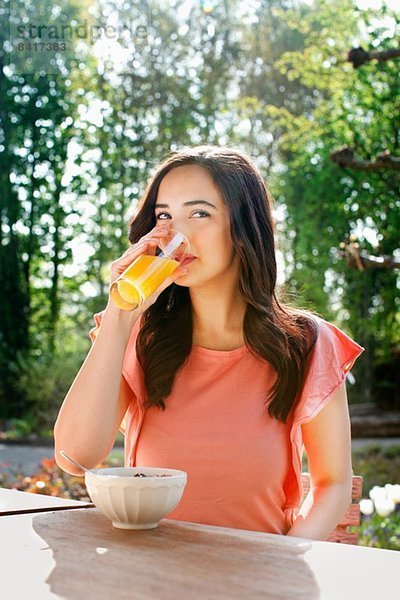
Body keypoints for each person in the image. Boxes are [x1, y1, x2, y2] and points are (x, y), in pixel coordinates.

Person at [54, 145, 364, 540]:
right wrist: (119, 314)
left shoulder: (305, 343)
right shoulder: (140, 335)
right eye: (165, 215)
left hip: (259, 580)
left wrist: (284, 561)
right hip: (151, 577)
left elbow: (333, 484)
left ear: (244, 226)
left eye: (200, 213)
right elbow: (75, 458)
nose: (176, 234)